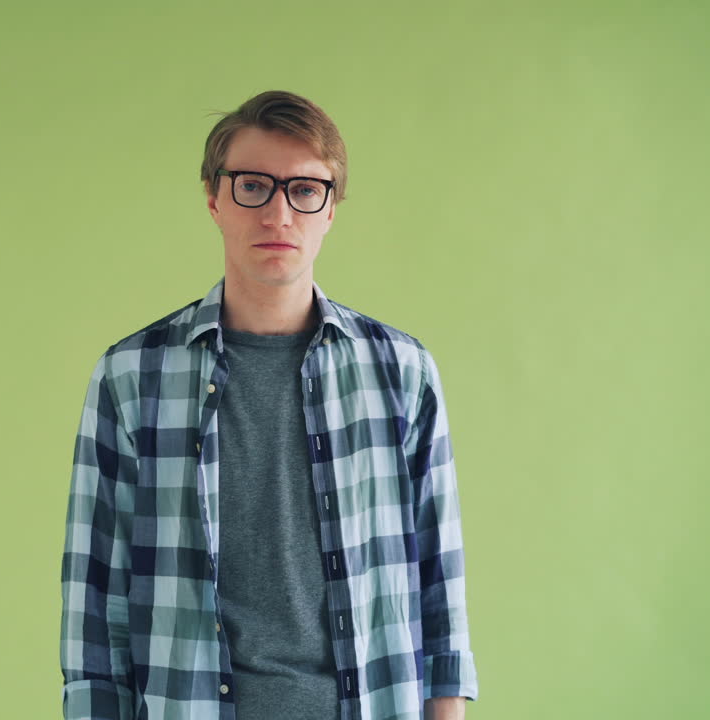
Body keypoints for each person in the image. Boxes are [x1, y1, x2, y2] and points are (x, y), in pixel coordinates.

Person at [59, 89, 478, 720]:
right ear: (213, 198)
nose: (279, 215)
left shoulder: (400, 370)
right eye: (253, 186)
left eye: (304, 190)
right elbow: (95, 602)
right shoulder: (133, 374)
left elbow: (437, 581)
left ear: (331, 209)